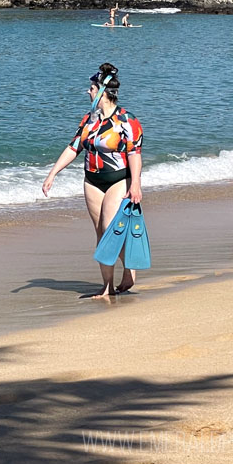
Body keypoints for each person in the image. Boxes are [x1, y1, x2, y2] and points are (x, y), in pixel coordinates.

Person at [41, 63, 143, 298]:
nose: (88, 92)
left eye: (91, 88)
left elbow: (134, 154)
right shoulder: (89, 119)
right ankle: (107, 286)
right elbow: (74, 147)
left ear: (102, 92)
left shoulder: (127, 120)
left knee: (109, 229)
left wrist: (135, 184)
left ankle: (130, 266)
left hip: (119, 180)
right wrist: (52, 174)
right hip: (92, 181)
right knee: (100, 233)